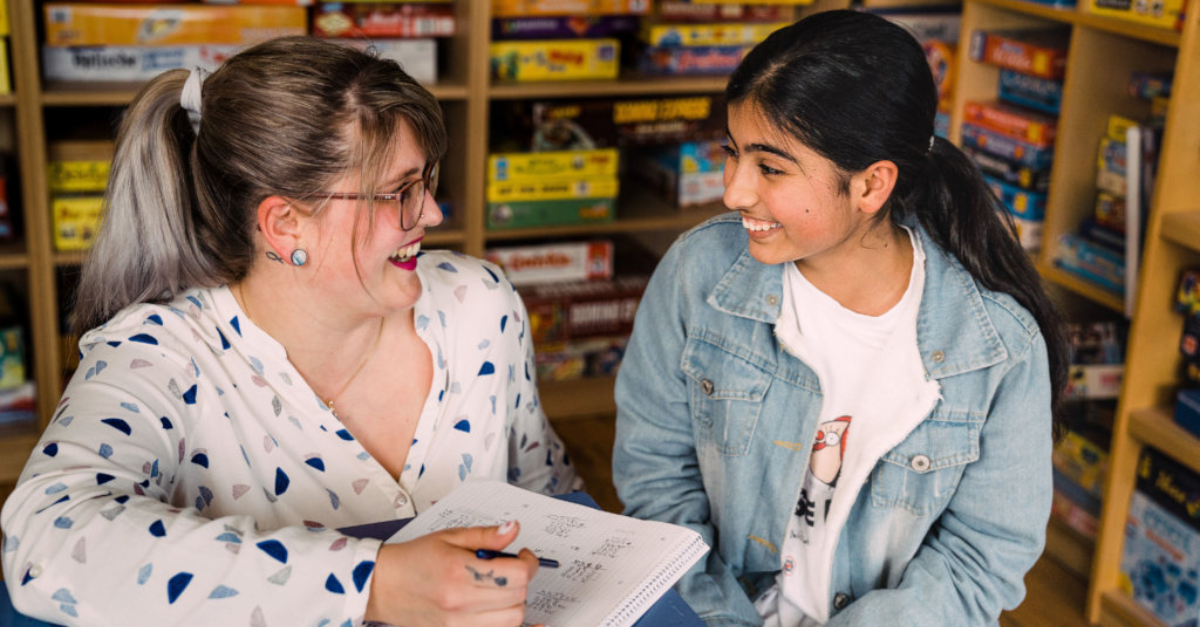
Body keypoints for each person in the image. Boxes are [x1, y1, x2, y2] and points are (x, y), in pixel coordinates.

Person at [1, 36, 578, 627]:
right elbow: (44, 543)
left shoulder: (480, 303)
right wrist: (373, 584)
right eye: (399, 192)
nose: (431, 213)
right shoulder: (161, 354)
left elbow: (545, 491)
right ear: (285, 226)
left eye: (426, 181)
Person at [612, 10, 1069, 627]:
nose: (735, 191)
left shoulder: (998, 348)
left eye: (770, 167)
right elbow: (654, 473)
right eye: (732, 152)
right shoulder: (700, 272)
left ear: (872, 185)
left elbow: (984, 558)